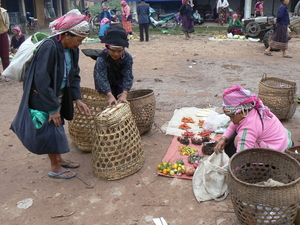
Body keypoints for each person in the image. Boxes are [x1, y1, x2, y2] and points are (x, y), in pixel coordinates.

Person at [24, 9, 91, 179]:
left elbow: (74, 74)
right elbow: (41, 79)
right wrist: (52, 107)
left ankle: (59, 160)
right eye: (79, 39)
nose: (80, 43)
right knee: (50, 127)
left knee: (58, 124)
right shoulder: (49, 47)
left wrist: (77, 98)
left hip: (59, 93)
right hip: (42, 95)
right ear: (67, 35)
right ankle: (54, 167)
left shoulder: (72, 50)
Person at [214, 85, 293, 158]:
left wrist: (222, 170)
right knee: (233, 137)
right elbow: (233, 125)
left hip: (276, 153)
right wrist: (223, 139)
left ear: (243, 112)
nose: (231, 120)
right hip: (282, 142)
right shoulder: (252, 110)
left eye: (232, 117)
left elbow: (241, 158)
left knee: (237, 140)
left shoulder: (248, 128)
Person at [93, 26, 133, 106]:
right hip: (105, 81)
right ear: (107, 48)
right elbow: (101, 78)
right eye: (113, 51)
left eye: (119, 51)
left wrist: (124, 94)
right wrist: (110, 95)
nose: (116, 54)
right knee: (106, 102)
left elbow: (128, 76)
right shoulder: (102, 59)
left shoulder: (128, 58)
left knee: (120, 100)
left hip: (119, 80)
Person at [0, 4, 10, 82]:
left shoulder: (3, 12)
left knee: (5, 54)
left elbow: (7, 22)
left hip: (3, 34)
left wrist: (5, 30)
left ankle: (7, 74)